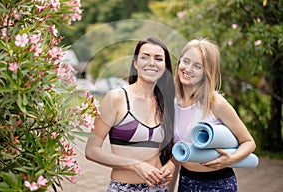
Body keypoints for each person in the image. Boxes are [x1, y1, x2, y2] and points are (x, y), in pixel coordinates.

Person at [85, 37, 176, 192]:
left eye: (159, 58)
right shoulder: (116, 98)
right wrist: (135, 165)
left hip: (160, 188)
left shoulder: (167, 103)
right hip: (124, 188)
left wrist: (172, 164)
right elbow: (91, 150)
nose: (152, 62)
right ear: (135, 63)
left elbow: (174, 148)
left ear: (165, 66)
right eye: (145, 57)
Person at [172, 38, 256, 191]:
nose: (188, 69)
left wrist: (231, 159)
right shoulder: (172, 102)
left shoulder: (215, 102)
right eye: (186, 61)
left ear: (206, 72)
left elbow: (249, 142)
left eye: (197, 66)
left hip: (217, 184)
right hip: (185, 182)